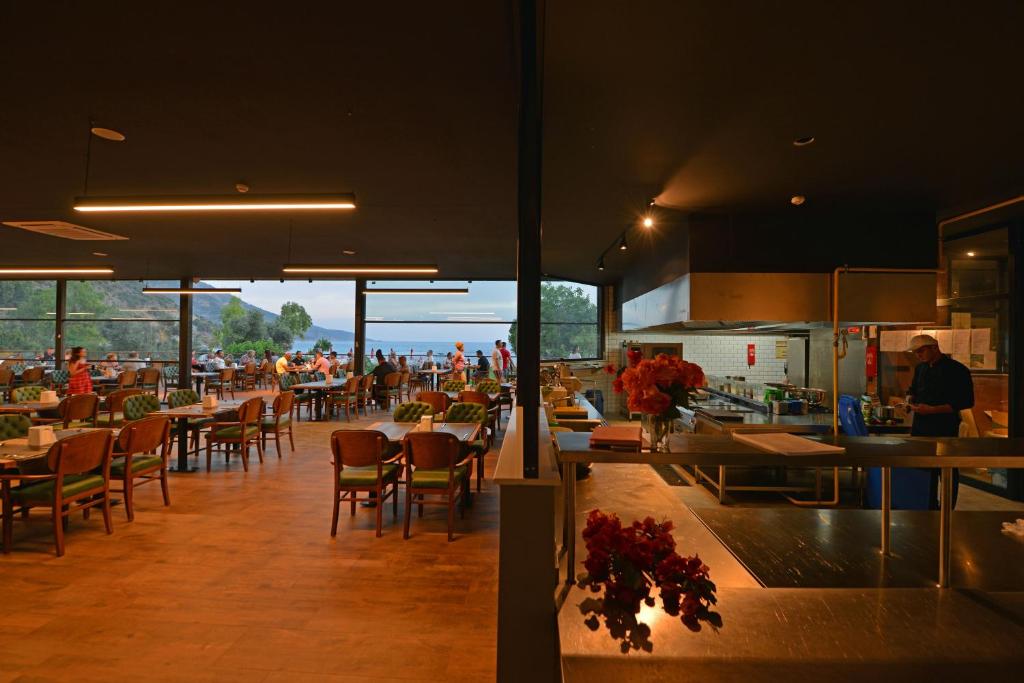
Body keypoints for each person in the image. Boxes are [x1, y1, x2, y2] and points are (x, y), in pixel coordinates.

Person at [906, 334, 974, 510]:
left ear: (935, 347)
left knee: (947, 469)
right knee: (923, 468)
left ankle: (947, 508)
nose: (918, 355)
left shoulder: (957, 370)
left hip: (944, 427)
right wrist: (909, 399)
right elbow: (913, 389)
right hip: (920, 426)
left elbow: (965, 401)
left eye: (921, 351)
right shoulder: (920, 368)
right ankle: (926, 505)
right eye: (916, 352)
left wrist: (932, 410)